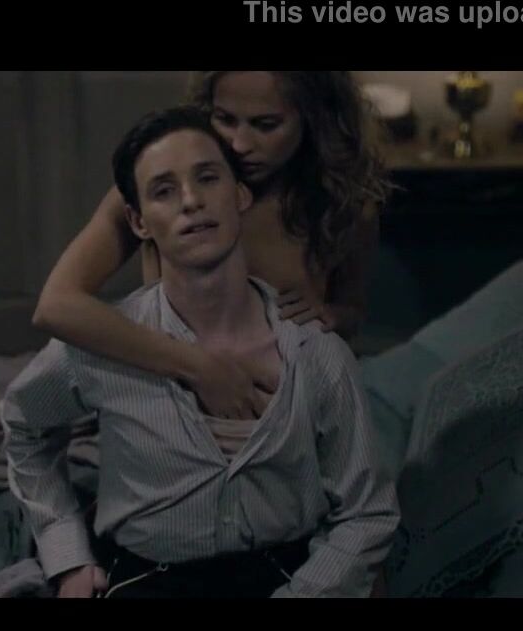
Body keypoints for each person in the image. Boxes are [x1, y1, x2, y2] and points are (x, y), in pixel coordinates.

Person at [0, 106, 399, 598]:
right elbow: (24, 427)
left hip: (289, 578)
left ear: (240, 195)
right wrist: (67, 556)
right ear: (138, 221)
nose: (191, 201)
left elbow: (367, 511)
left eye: (207, 178)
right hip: (149, 578)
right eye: (164, 191)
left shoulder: (316, 353)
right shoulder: (101, 346)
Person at [31, 71, 391, 420]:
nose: (240, 144)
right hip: (171, 405)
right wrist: (199, 368)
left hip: (283, 411)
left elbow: (351, 311)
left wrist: (332, 315)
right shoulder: (160, 194)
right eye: (225, 119)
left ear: (315, 117)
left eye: (266, 125)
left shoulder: (341, 202)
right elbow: (56, 306)